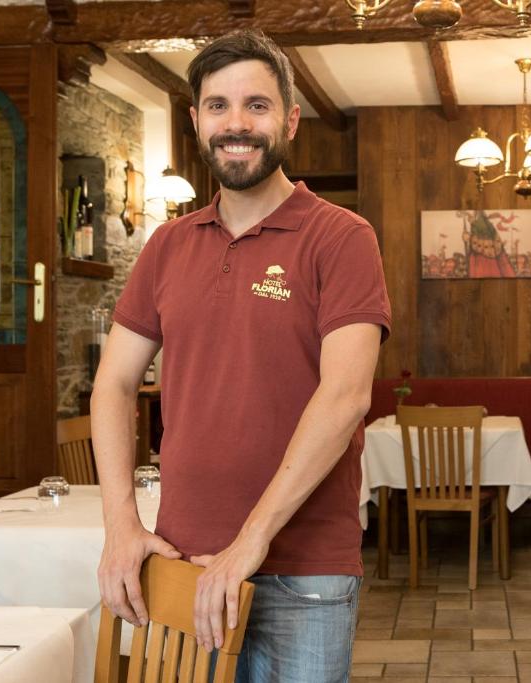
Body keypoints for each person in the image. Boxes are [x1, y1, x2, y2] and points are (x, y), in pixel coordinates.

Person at [92, 29, 391, 682]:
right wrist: (122, 524)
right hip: (181, 561)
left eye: (256, 105)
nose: (237, 123)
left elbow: (346, 397)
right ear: (197, 119)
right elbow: (113, 383)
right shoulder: (167, 246)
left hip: (303, 572)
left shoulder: (341, 237)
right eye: (218, 105)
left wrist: (246, 544)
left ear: (288, 120)